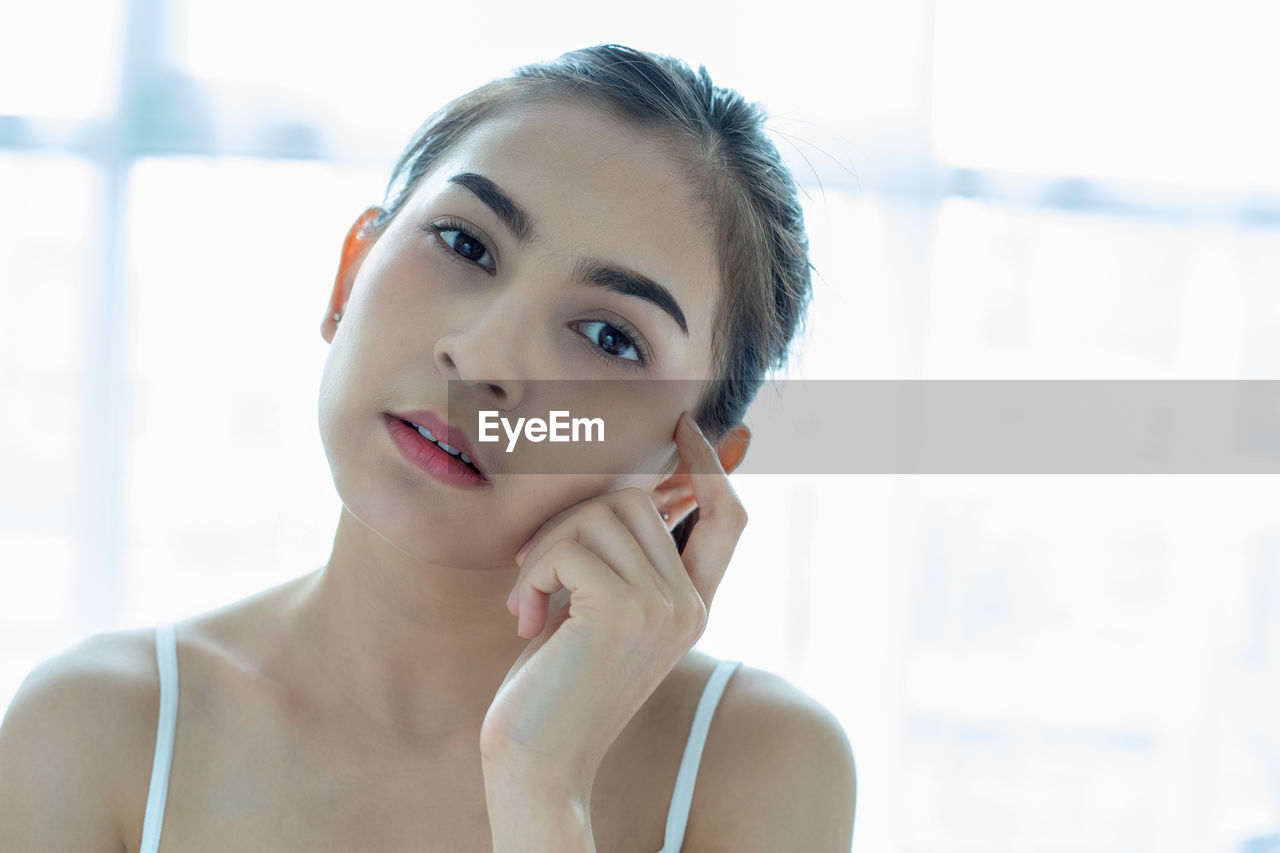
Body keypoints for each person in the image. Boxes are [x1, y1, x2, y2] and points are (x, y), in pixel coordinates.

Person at [0, 44, 856, 851]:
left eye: (607, 335)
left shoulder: (758, 766)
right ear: (350, 276)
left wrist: (540, 784)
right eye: (465, 243)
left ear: (684, 475)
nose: (480, 357)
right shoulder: (95, 730)